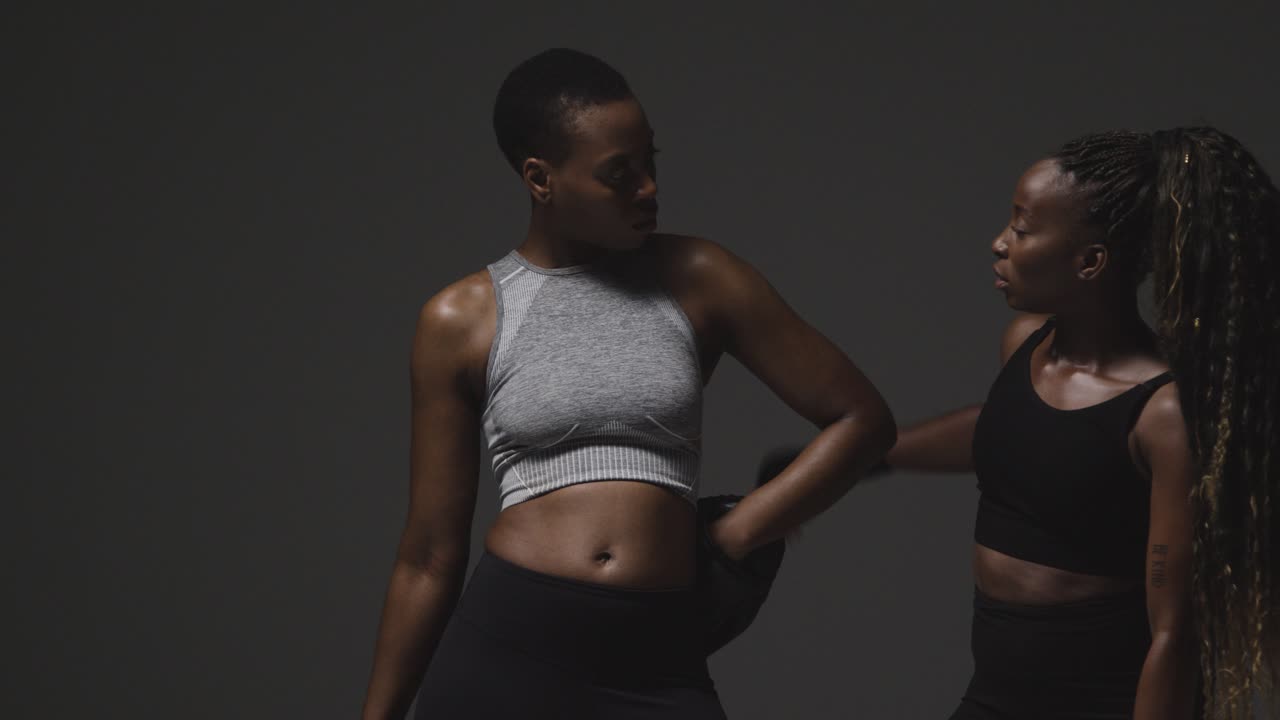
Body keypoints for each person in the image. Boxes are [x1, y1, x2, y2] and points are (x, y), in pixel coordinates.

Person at [358, 48, 896, 720]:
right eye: (619, 174)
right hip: (508, 651)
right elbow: (429, 556)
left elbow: (862, 420)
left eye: (651, 161)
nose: (648, 188)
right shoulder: (461, 320)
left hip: (654, 660)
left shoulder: (698, 276)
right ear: (540, 179)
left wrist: (742, 531)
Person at [883, 127, 1280, 719]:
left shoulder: (1163, 411)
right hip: (996, 691)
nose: (999, 243)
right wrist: (876, 456)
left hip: (1103, 700)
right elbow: (1017, 432)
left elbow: (1174, 632)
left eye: (1021, 228)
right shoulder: (1026, 344)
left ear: (1090, 261)